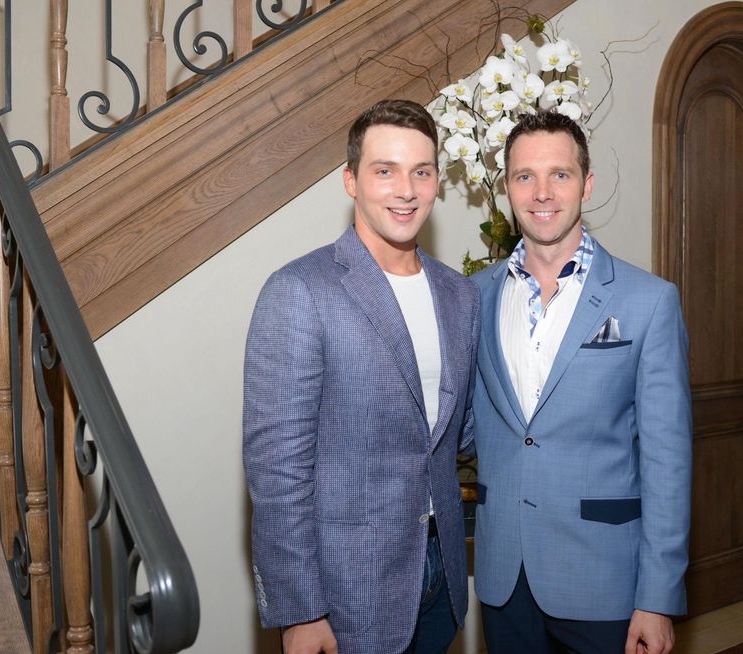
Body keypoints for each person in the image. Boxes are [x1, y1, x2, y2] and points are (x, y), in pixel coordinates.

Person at [243, 99, 480, 654]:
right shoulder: (301, 290)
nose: (405, 189)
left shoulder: (459, 294)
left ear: (437, 182)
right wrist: (301, 611)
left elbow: (458, 431)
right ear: (351, 180)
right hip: (347, 590)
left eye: (421, 172)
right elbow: (277, 470)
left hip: (442, 574)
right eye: (385, 170)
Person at [470, 110, 692, 654]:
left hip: (604, 580)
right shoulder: (472, 296)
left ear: (586, 184)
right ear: (506, 188)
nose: (542, 192)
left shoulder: (648, 300)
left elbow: (668, 460)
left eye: (560, 175)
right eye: (525, 176)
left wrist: (657, 597)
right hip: (504, 576)